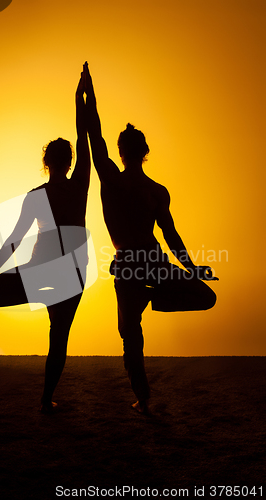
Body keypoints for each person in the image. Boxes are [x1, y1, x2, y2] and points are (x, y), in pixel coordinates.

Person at [83, 62, 217, 415]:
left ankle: (151, 303)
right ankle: (143, 397)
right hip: (141, 266)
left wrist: (87, 98)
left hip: (138, 267)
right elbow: (171, 235)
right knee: (135, 332)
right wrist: (189, 268)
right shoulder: (137, 186)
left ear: (125, 152)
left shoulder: (131, 185)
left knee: (133, 335)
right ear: (142, 152)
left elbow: (94, 137)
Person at [0, 67, 91, 413]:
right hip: (69, 276)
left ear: (46, 163)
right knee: (59, 337)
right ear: (67, 162)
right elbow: (84, 138)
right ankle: (46, 397)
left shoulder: (36, 195)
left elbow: (14, 240)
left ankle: (46, 397)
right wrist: (81, 97)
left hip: (43, 273)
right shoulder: (79, 184)